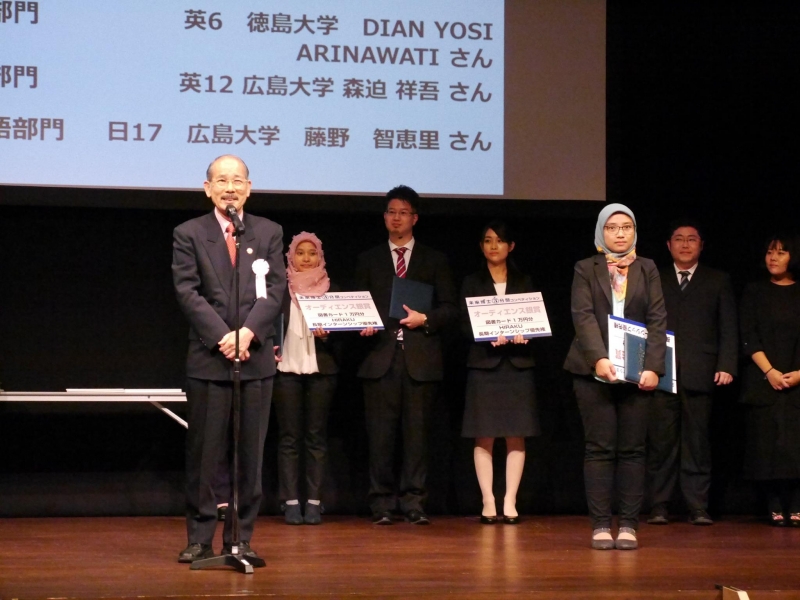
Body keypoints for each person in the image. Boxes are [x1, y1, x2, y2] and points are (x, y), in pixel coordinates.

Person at [172, 155, 286, 563]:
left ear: (249, 188)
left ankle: (240, 536)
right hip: (210, 358)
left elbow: (275, 290)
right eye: (221, 181)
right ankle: (200, 537)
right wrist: (224, 337)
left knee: (249, 456)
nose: (230, 188)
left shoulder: (268, 231)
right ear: (208, 189)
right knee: (205, 455)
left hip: (255, 359)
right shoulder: (189, 232)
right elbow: (187, 292)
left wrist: (248, 333)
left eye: (237, 181)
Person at [563, 203, 667, 550]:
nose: (620, 233)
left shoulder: (648, 267)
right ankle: (600, 525)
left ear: (635, 231)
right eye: (612, 227)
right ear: (600, 232)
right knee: (600, 449)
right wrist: (599, 358)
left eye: (626, 227)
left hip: (638, 372)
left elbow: (657, 318)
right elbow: (582, 315)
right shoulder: (585, 268)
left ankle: (629, 526)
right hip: (593, 371)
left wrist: (653, 366)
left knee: (634, 451)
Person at [356, 184, 458, 525]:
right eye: (391, 212)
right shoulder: (368, 259)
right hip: (379, 358)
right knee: (380, 437)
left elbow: (450, 308)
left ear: (415, 218)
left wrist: (425, 319)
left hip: (420, 359)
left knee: (417, 437)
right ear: (384, 217)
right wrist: (362, 324)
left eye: (403, 213)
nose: (396, 218)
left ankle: (414, 501)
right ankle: (381, 503)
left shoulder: (434, 259)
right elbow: (357, 304)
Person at [646, 219, 737, 526]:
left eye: (692, 239)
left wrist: (726, 364)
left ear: (701, 245)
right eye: (679, 239)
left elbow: (728, 326)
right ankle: (659, 505)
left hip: (701, 371)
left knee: (697, 443)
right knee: (661, 443)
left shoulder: (717, 279)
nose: (685, 244)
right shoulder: (654, 277)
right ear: (668, 245)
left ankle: (697, 506)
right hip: (660, 372)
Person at [460, 220, 540, 525]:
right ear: (481, 246)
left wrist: (526, 334)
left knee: (516, 434)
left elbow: (535, 319)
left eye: (500, 240)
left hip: (517, 364)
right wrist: (485, 335)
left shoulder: (525, 281)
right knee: (484, 434)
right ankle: (488, 501)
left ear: (511, 246)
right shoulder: (471, 282)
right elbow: (464, 323)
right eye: (488, 240)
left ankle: (510, 501)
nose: (494, 246)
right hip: (484, 364)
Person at [273, 232, 340, 525]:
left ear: (320, 257)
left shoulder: (331, 289)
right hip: (286, 370)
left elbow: (346, 336)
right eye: (300, 252)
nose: (306, 258)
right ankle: (290, 501)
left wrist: (328, 337)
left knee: (316, 437)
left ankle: (313, 502)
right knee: (289, 438)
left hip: (321, 371)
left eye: (312, 253)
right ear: (291, 256)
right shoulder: (279, 289)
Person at [740, 233, 800, 527]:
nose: (773, 258)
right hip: (764, 380)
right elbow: (748, 336)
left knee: (795, 444)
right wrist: (769, 371)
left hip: (797, 381)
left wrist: (799, 374)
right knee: (767, 446)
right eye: (769, 252)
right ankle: (773, 503)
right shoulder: (754, 291)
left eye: (781, 252)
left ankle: (797, 503)